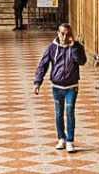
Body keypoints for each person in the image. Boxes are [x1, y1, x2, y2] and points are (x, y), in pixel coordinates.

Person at [33, 22, 87, 152]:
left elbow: (82, 61)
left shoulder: (77, 47)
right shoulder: (52, 48)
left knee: (69, 112)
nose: (64, 37)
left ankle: (70, 141)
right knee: (58, 113)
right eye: (62, 34)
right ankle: (61, 138)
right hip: (56, 86)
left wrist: (73, 46)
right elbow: (43, 64)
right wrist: (37, 82)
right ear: (58, 34)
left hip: (71, 86)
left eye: (68, 34)